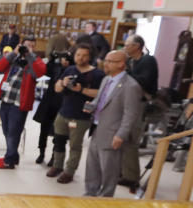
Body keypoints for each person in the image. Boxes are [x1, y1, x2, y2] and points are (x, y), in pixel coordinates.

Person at [84, 50, 143, 197]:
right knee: (92, 166)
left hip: (113, 133)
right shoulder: (106, 80)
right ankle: (90, 193)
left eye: (110, 61)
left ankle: (106, 197)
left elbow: (130, 115)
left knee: (109, 169)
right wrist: (91, 106)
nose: (106, 63)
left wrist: (121, 135)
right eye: (106, 60)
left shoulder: (131, 86)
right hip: (97, 128)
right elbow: (100, 101)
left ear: (121, 64)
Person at [46, 44, 104, 183]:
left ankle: (69, 171)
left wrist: (81, 89)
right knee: (58, 141)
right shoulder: (69, 70)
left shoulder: (97, 74)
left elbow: (100, 93)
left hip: (81, 117)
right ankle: (57, 165)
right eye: (78, 55)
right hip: (63, 113)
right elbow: (57, 89)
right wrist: (63, 83)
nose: (80, 58)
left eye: (84, 55)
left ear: (90, 57)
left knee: (75, 146)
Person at [0, 37, 46, 169]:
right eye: (26, 45)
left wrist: (29, 55)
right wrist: (14, 52)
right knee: (6, 130)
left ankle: (9, 160)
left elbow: (39, 73)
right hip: (6, 99)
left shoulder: (36, 61)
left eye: (32, 46)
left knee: (13, 133)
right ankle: (13, 156)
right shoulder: (14, 58)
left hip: (19, 104)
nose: (28, 48)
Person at [119, 34, 159, 192]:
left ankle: (132, 177)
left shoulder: (148, 60)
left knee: (131, 140)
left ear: (137, 46)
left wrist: (125, 71)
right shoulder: (129, 61)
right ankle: (124, 172)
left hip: (140, 103)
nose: (125, 47)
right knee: (122, 138)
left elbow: (143, 81)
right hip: (127, 102)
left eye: (127, 44)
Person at [32, 48, 70, 165]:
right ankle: (41, 153)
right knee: (43, 129)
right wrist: (53, 58)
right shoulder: (54, 66)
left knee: (58, 132)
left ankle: (54, 155)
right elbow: (46, 72)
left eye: (65, 57)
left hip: (62, 104)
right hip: (49, 102)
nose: (63, 59)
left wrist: (69, 61)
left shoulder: (71, 69)